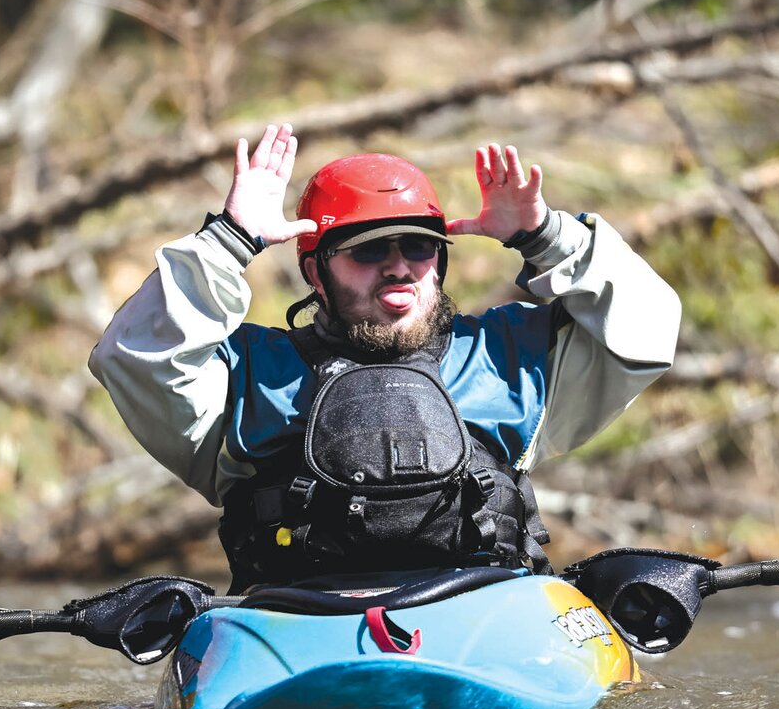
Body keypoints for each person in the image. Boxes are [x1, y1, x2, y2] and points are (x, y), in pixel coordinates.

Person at [89, 123, 680, 592]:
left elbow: (649, 329)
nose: (399, 264)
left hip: (486, 615)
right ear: (315, 273)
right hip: (297, 624)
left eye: (419, 245)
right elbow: (133, 358)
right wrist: (228, 241)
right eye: (370, 249)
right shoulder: (245, 376)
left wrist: (546, 237)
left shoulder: (508, 359)